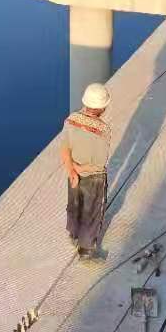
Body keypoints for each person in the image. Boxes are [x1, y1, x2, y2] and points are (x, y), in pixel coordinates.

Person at [60, 83, 111, 259]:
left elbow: (64, 149)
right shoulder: (103, 129)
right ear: (103, 107)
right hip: (94, 177)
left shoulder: (71, 119)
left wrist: (72, 171)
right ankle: (86, 249)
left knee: (74, 205)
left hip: (73, 172)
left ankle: (73, 235)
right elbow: (100, 160)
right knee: (92, 210)